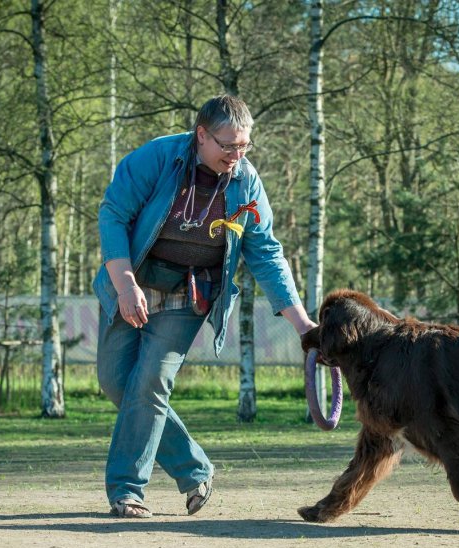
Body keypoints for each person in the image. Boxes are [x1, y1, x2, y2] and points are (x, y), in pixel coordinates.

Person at [93, 94, 316, 518]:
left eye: (244, 146)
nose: (236, 155)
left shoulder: (245, 183)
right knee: (117, 382)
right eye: (227, 145)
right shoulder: (157, 158)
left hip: (188, 294)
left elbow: (265, 252)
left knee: (151, 382)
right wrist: (124, 285)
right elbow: (113, 215)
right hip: (132, 281)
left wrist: (302, 323)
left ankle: (126, 491)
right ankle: (195, 469)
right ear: (201, 135)